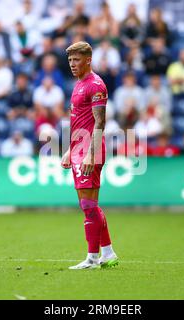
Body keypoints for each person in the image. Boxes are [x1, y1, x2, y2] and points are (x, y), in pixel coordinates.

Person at [61, 41, 118, 270]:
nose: (73, 65)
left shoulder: (96, 85)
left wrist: (89, 154)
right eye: (70, 61)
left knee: (87, 205)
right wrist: (69, 148)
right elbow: (77, 119)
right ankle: (108, 253)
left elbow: (100, 122)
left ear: (88, 60)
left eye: (76, 60)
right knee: (90, 205)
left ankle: (92, 259)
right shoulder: (78, 84)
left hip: (90, 150)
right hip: (79, 148)